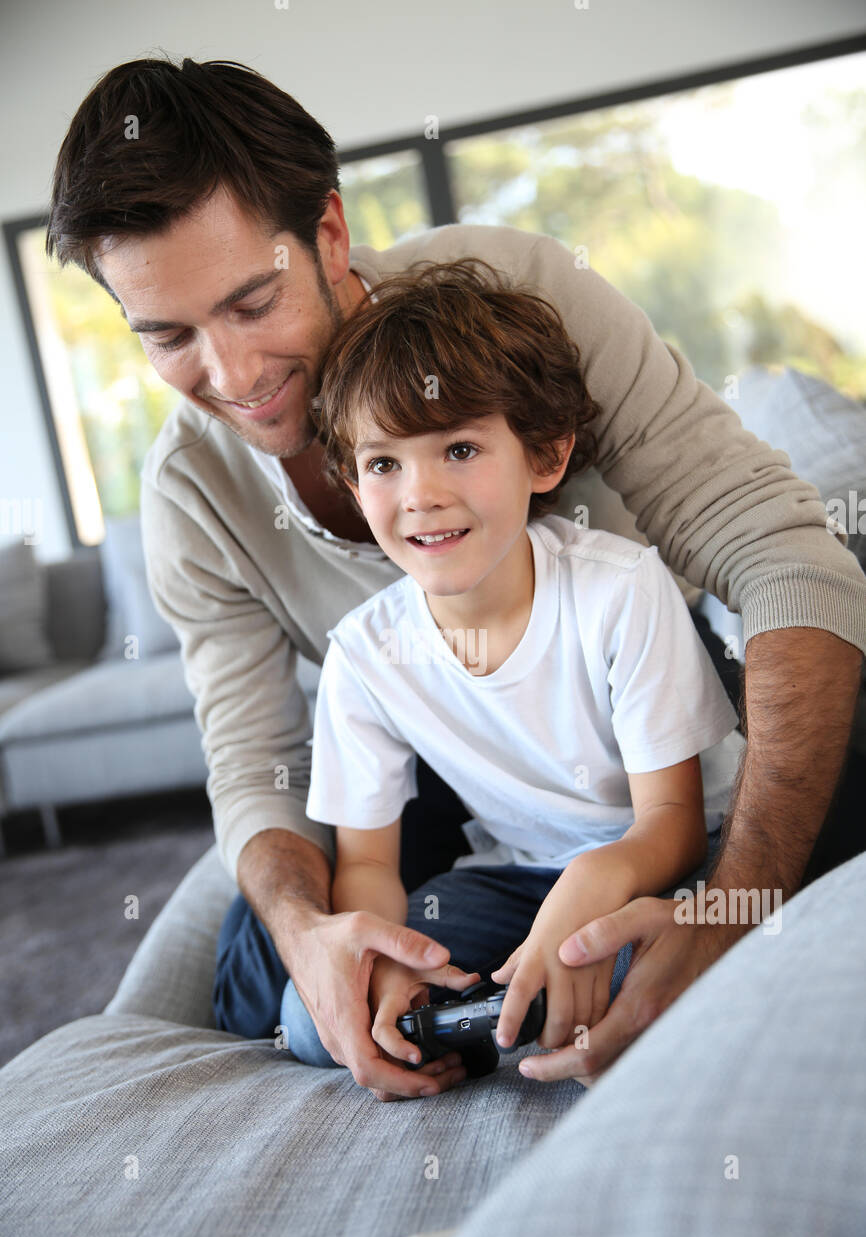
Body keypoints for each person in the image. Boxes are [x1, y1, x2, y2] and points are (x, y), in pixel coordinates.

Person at [45, 58, 866, 1102]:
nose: (235, 376)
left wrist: (726, 909)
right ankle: (492, 989)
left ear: (329, 235)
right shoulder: (192, 498)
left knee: (826, 765)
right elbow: (257, 768)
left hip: (639, 726)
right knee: (260, 969)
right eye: (168, 335)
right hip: (437, 759)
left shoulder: (517, 302)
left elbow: (784, 558)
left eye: (253, 301)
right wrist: (318, 935)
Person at [268, 258, 744, 1096]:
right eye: (384, 464)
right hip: (516, 875)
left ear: (546, 456)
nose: (420, 495)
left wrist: (594, 884)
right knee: (316, 1018)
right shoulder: (364, 655)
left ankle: (529, 1006)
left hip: (669, 863)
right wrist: (384, 969)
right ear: (351, 482)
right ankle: (497, 1016)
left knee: (667, 968)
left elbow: (669, 826)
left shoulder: (619, 589)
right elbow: (370, 869)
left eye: (458, 448)